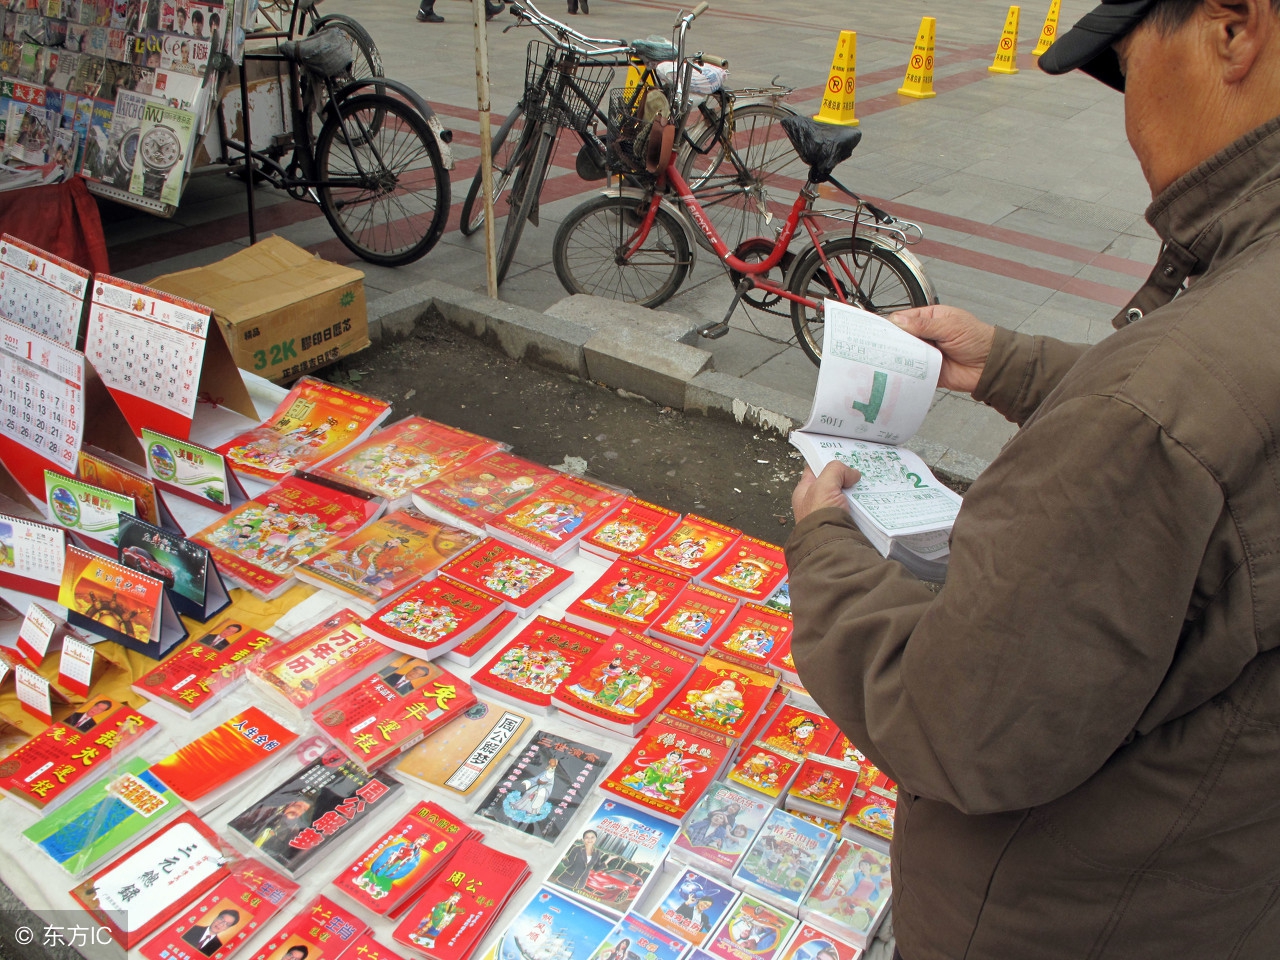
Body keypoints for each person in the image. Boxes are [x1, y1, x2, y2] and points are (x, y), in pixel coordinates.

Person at [785, 1, 1280, 958]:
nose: (1130, 116)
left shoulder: (1151, 411)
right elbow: (1225, 440)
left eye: (1130, 69)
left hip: (1077, 913)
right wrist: (1008, 363)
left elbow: (960, 723)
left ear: (1232, 28)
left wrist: (824, 546)